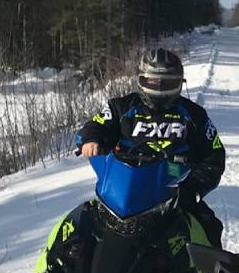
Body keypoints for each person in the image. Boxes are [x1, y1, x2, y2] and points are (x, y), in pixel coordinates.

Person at [76, 47, 226, 247]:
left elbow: (214, 156)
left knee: (208, 227)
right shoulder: (122, 107)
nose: (160, 90)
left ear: (179, 83)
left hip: (173, 193)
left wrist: (193, 188)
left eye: (168, 83)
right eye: (154, 82)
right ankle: (56, 270)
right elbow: (97, 125)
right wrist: (91, 139)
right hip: (122, 191)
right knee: (77, 224)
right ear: (142, 80)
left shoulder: (194, 115)